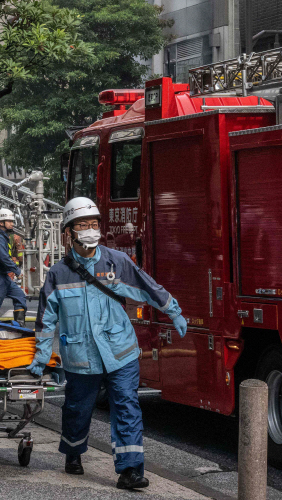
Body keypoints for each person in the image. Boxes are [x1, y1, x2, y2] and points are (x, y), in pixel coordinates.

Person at [28, 197, 187, 490]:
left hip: (120, 352)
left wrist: (173, 310)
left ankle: (130, 471)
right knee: (77, 408)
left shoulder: (116, 262)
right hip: (80, 356)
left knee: (127, 406)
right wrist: (41, 357)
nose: (90, 230)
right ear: (69, 233)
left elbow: (146, 287)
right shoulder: (58, 274)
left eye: (94, 224)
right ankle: (73, 451)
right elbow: (45, 319)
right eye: (82, 225)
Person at [0, 208, 27, 323]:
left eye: (12, 221)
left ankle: (19, 327)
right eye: (9, 221)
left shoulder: (4, 238)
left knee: (20, 296)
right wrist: (17, 271)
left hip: (2, 276)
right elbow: (4, 258)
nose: (12, 224)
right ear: (1, 223)